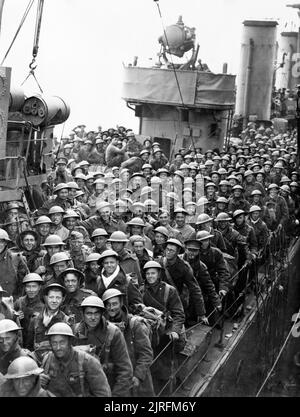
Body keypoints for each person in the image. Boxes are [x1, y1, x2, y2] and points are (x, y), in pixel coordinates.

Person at [74, 296, 132, 397]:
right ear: (82, 314)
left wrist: (116, 396)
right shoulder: (74, 331)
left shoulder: (113, 333)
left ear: (101, 314)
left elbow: (125, 370)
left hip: (108, 388)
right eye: (89, 313)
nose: (93, 317)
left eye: (96, 313)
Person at [142, 261, 185, 395]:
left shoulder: (169, 290)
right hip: (150, 330)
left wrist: (175, 330)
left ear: (159, 274)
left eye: (153, 273)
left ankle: (171, 385)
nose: (150, 276)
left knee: (168, 360)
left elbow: (179, 313)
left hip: (168, 329)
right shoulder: (142, 291)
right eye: (148, 273)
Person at [102, 288, 155, 396]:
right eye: (108, 305)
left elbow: (146, 354)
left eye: (114, 304)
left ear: (121, 303)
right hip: (117, 379)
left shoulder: (134, 324)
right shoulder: (103, 326)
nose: (111, 308)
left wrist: (138, 376)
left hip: (138, 380)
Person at [41, 322, 111, 397]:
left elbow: (103, 393)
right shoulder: (48, 360)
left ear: (70, 342)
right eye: (54, 343)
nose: (58, 348)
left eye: (62, 343)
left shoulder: (88, 362)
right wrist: (38, 382)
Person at [160, 238, 207, 326]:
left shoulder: (184, 267)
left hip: (175, 300)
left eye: (172, 250)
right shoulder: (159, 262)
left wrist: (201, 313)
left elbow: (195, 289)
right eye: (167, 249)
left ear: (178, 252)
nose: (168, 252)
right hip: (160, 299)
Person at [26, 283, 70, 364]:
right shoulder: (35, 319)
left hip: (57, 363)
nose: (54, 301)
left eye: (58, 298)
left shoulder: (66, 321)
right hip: (36, 362)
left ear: (62, 299)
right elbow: (28, 345)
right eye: (51, 297)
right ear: (46, 298)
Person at [14, 273, 44, 345]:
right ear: (24, 288)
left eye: (34, 286)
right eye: (28, 286)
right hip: (20, 342)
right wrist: (16, 317)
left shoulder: (44, 305)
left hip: (36, 342)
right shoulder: (19, 302)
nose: (31, 290)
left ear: (39, 287)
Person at [0, 228, 29, 298]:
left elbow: (24, 284)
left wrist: (16, 301)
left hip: (11, 301)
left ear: (6, 243)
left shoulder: (16, 258)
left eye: (1, 242)